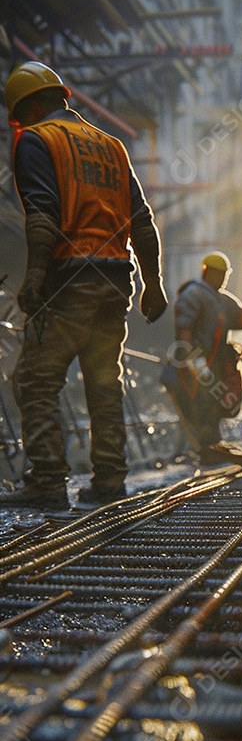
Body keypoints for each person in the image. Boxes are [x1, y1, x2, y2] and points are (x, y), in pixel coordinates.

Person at [4, 60, 167, 509]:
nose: (21, 125)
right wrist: (154, 286)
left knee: (36, 382)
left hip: (68, 280)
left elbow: (42, 216)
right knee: (103, 381)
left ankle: (47, 483)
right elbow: (142, 222)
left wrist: (34, 278)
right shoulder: (112, 146)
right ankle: (111, 482)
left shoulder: (38, 140)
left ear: (32, 105)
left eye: (20, 116)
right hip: (117, 283)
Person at [163, 252, 242, 462]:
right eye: (218, 273)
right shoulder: (194, 294)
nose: (222, 278)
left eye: (224, 274)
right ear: (206, 271)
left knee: (213, 401)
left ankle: (211, 445)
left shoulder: (220, 299)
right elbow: (184, 328)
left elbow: (241, 316)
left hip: (214, 362)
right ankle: (206, 449)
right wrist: (188, 359)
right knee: (202, 400)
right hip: (197, 359)